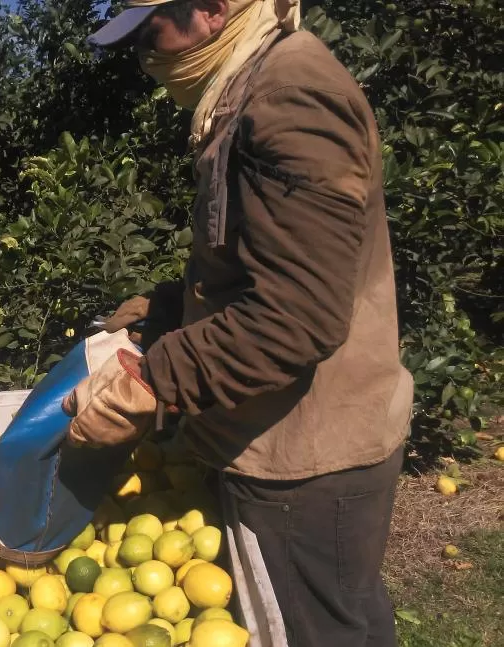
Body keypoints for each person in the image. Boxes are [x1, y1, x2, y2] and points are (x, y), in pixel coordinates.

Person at [60, 2, 415, 646]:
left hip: (305, 459)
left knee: (320, 630)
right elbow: (271, 267)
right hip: (294, 437)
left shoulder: (289, 96)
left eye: (150, 30)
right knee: (347, 615)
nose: (146, 56)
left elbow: (295, 315)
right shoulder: (253, 88)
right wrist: (167, 310)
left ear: (212, 10)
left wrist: (155, 382)